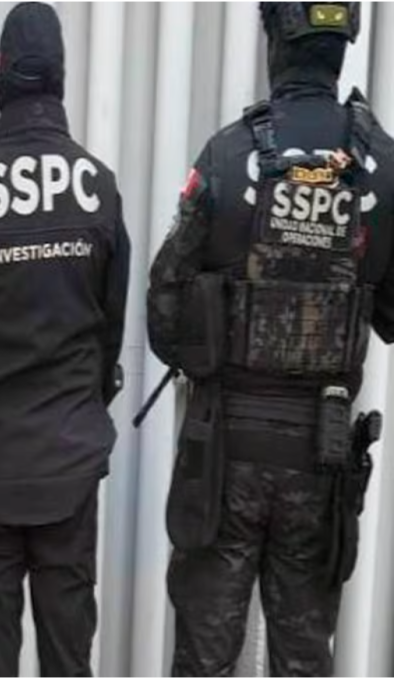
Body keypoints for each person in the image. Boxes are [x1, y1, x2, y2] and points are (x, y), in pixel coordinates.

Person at [147, 3, 394, 675]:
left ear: (275, 41)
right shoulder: (380, 165)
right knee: (303, 660)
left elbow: (164, 313)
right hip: (322, 452)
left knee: (205, 658)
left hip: (224, 454)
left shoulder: (230, 154)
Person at [0, 3, 130, 676]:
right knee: (68, 658)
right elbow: (110, 330)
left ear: (0, 76)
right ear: (61, 77)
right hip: (69, 460)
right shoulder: (98, 186)